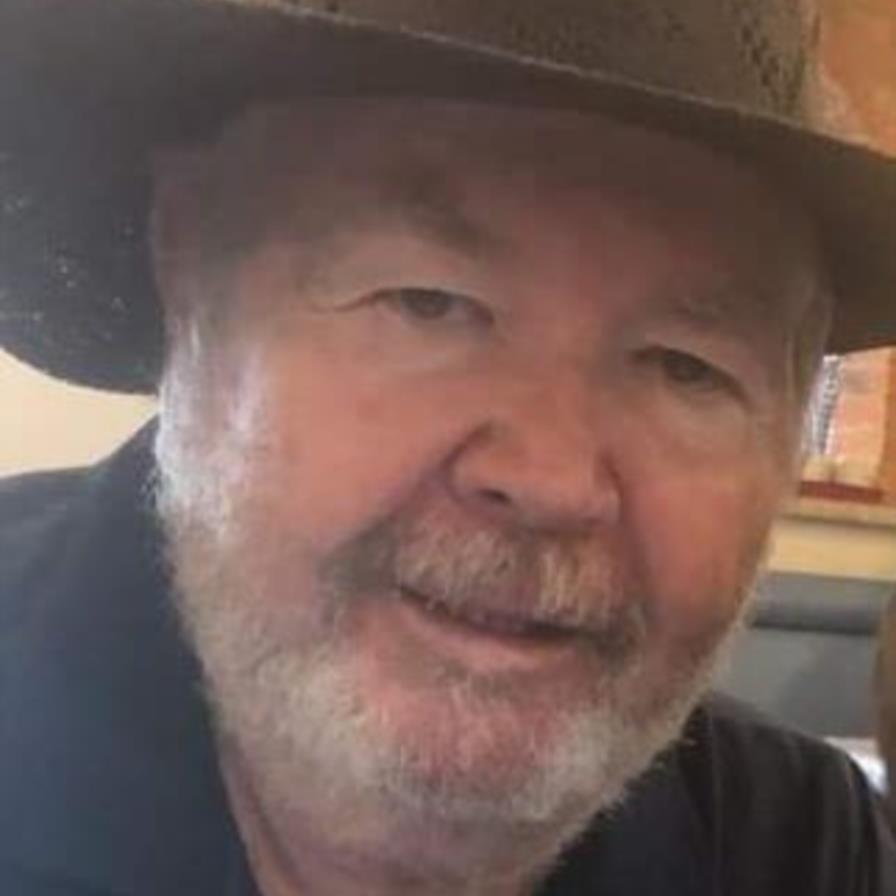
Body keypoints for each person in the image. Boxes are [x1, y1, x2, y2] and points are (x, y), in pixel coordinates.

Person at [0, 1, 895, 894]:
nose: (550, 479)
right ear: (187, 273)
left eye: (685, 367)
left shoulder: (796, 848)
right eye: (427, 302)